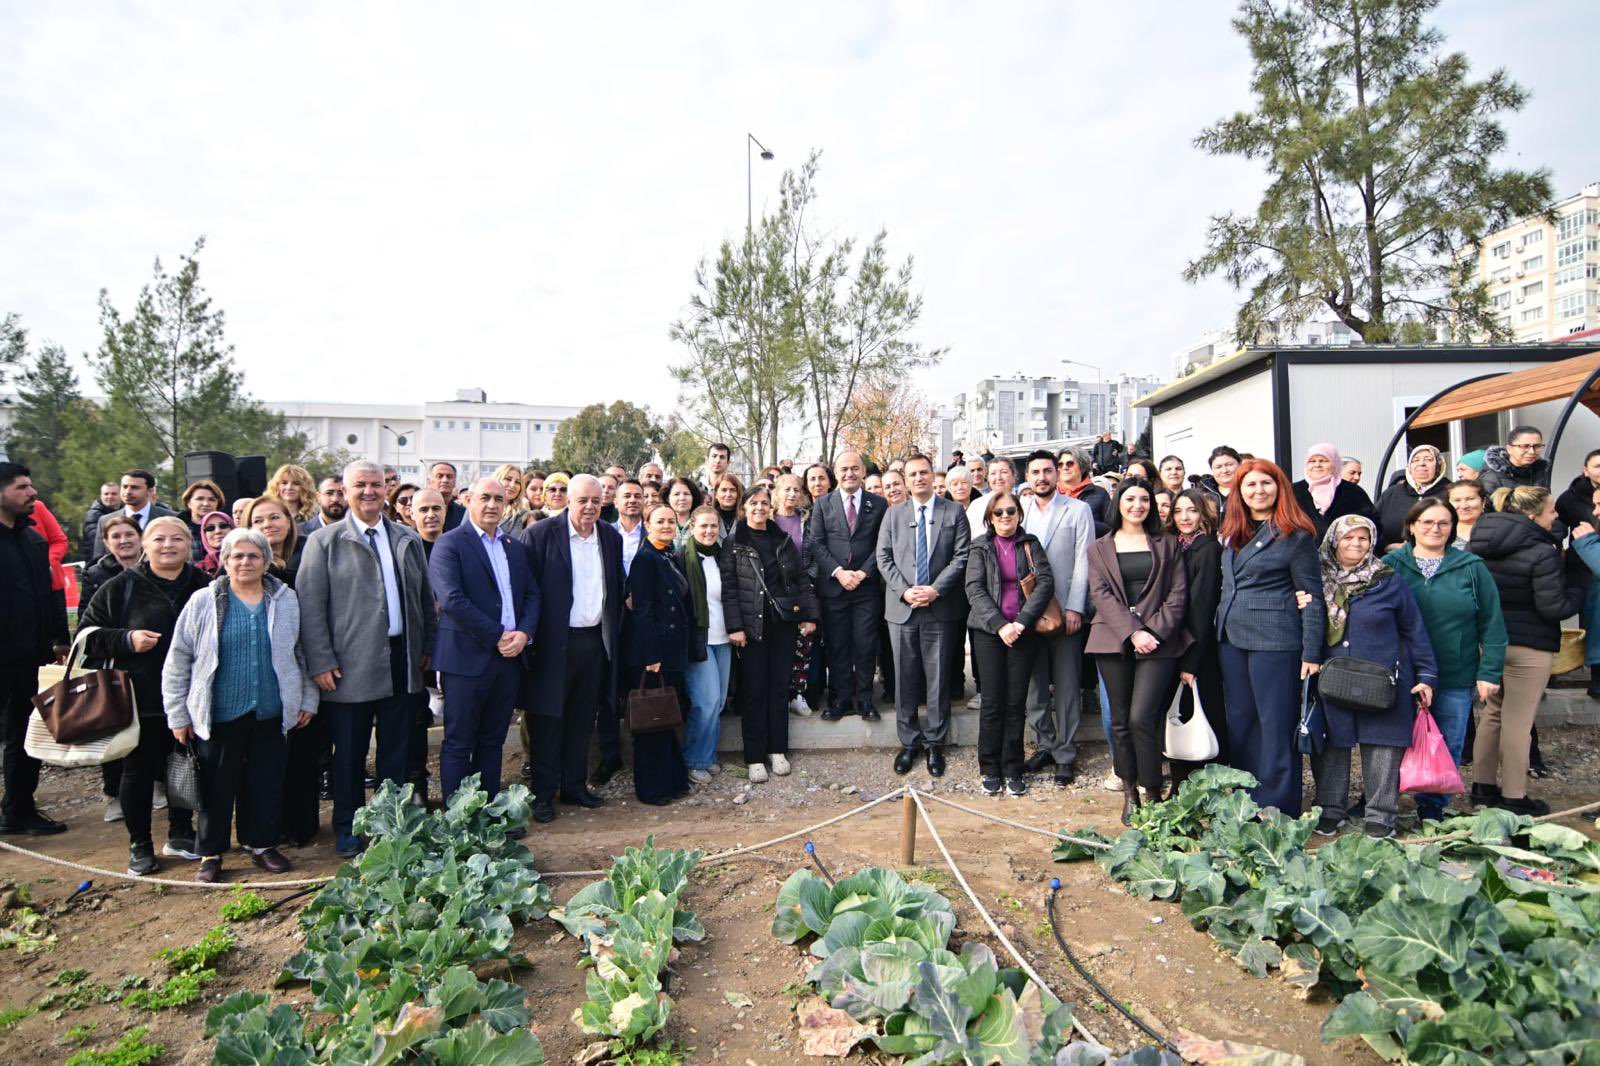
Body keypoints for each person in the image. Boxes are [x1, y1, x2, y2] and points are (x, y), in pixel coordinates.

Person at [297, 460, 437, 856]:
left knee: (396, 752)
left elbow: (424, 599)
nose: (369, 491)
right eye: (360, 485)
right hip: (348, 665)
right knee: (350, 754)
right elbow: (310, 607)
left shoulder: (406, 538)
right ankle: (348, 827)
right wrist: (320, 661)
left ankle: (391, 825)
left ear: (386, 490)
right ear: (345, 491)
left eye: (376, 484)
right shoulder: (323, 542)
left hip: (401, 660)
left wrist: (426, 646)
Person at [164, 527, 318, 883]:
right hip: (219, 713)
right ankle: (211, 852)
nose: (245, 562)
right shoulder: (204, 601)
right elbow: (179, 658)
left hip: (271, 710)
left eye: (253, 556)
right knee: (216, 787)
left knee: (265, 782)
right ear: (225, 560)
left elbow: (301, 652)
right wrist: (178, 713)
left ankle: (261, 845)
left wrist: (307, 698)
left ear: (266, 561)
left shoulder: (286, 600)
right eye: (237, 556)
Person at [80, 516, 209, 873]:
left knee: (185, 764)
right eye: (159, 539)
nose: (168, 545)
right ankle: (140, 844)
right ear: (145, 545)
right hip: (140, 697)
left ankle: (181, 832)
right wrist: (126, 639)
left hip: (194, 695)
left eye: (177, 539)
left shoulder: (205, 584)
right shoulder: (120, 587)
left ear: (189, 544)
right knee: (137, 771)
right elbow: (87, 636)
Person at [1309, 515, 1438, 839]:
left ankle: (1381, 814)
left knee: (1383, 743)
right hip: (1332, 677)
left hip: (1383, 679)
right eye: (1348, 537)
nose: (1356, 543)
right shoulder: (1316, 579)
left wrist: (1426, 674)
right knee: (1332, 743)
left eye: (1363, 538)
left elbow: (1414, 629)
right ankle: (1330, 809)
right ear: (1334, 541)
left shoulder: (1387, 580)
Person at [1383, 499, 1506, 821]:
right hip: (1401, 673)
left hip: (1454, 672)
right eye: (1427, 522)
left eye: (1443, 523)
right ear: (1412, 526)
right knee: (1389, 743)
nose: (1434, 529)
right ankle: (1381, 805)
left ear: (1452, 528)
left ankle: (1432, 808)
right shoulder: (1391, 565)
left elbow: (1492, 623)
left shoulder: (1471, 567)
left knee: (1446, 742)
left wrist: (1489, 671)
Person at [1216, 459, 1323, 816]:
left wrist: (1311, 652)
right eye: (1250, 485)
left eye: (1266, 483)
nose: (1258, 491)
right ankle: (1246, 799)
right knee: (1242, 722)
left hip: (1275, 641)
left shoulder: (1295, 535)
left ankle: (1278, 805)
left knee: (1275, 724)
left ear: (1279, 489)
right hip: (1232, 639)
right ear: (1239, 492)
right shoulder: (1232, 532)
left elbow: (1311, 595)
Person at [1468, 486, 1584, 815]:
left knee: (1492, 714)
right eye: (1551, 511)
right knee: (1518, 721)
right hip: (1530, 645)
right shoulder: (1542, 550)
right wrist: (1578, 591)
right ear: (1532, 515)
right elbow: (1553, 606)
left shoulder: (1479, 542)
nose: (1556, 517)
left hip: (1489, 642)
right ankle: (1514, 797)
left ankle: (1482, 788)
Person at [517, 474, 624, 823]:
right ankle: (543, 794)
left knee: (582, 718)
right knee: (547, 721)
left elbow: (615, 587)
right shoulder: (540, 534)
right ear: (567, 500)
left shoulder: (609, 536)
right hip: (552, 644)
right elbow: (526, 590)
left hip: (594, 642)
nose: (590, 507)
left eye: (596, 501)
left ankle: (574, 786)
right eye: (583, 500)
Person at [429, 479, 538, 808]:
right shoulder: (450, 544)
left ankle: (488, 811)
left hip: (508, 660)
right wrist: (499, 635)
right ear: (469, 501)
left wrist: (524, 633)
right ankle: (458, 817)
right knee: (459, 742)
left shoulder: (514, 547)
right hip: (465, 659)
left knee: (492, 741)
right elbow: (452, 599)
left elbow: (532, 594)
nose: (492, 505)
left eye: (498, 499)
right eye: (485, 498)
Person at [1087, 479, 1192, 822]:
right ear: (1118, 502)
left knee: (1142, 717)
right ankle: (1129, 790)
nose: (1137, 505)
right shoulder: (1099, 547)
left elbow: (1178, 595)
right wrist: (1133, 632)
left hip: (1160, 641)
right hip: (1112, 638)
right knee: (1120, 721)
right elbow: (1101, 595)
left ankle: (1153, 791)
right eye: (1130, 498)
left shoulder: (1168, 543)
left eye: (1144, 499)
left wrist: (1152, 632)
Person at [876, 455, 970, 778]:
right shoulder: (893, 514)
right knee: (904, 677)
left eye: (924, 472)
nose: (918, 478)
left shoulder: (953, 512)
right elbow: (883, 557)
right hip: (902, 609)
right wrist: (905, 591)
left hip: (939, 607)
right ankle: (909, 742)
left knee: (938, 677)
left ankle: (934, 743)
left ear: (933, 475)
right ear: (905, 479)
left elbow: (961, 556)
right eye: (912, 474)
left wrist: (935, 590)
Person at [723, 487, 818, 781]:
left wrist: (809, 615)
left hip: (782, 624)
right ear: (744, 508)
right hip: (751, 628)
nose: (759, 508)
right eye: (753, 503)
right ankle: (754, 756)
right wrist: (735, 626)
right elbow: (729, 588)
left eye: (764, 503)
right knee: (754, 691)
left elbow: (800, 578)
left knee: (779, 688)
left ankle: (777, 750)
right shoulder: (734, 542)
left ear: (771, 507)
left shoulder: (783, 539)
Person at [966, 491, 1054, 796]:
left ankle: (1013, 767)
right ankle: (989, 767)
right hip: (988, 633)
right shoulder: (980, 546)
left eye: (1011, 511)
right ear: (990, 518)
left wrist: (1022, 621)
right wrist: (1000, 625)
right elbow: (974, 589)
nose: (1005, 517)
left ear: (1019, 514)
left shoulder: (1030, 544)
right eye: (999, 512)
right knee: (992, 702)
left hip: (1023, 631)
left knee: (1016, 702)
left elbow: (1045, 583)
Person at [0, 463, 70, 837]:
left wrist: (59, 638)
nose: (32, 492)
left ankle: (18, 810)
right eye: (22, 487)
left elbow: (50, 591)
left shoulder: (32, 538)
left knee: (25, 736)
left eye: (31, 485)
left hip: (30, 657)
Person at [1018, 450, 1095, 785]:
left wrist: (1076, 606)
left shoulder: (1077, 510)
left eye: (1047, 471)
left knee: (1066, 685)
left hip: (1065, 610)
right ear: (1027, 476)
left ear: (1057, 474)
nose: (1042, 477)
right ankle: (1045, 744)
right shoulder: (1019, 510)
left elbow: (1084, 560)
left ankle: (1065, 753)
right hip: (1028, 613)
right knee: (1035, 686)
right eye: (1035, 472)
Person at [620, 504, 692, 805]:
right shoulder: (645, 558)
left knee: (666, 717)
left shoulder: (666, 554)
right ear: (647, 525)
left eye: (671, 521)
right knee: (652, 720)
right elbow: (643, 610)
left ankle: (673, 781)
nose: (666, 526)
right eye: (659, 521)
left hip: (670, 649)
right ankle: (652, 789)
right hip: (653, 653)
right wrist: (651, 655)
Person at [812, 451, 887, 724]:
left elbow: (883, 543)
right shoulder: (823, 504)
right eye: (844, 469)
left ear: (863, 472)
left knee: (866, 645)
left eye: (855, 468)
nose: (849, 473)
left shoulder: (878, 504)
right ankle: (841, 699)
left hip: (866, 589)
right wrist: (839, 572)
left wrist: (864, 572)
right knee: (838, 645)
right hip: (834, 587)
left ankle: (865, 699)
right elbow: (817, 543)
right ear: (836, 473)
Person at [1167, 489, 1227, 787]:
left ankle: (1207, 787)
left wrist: (1191, 661)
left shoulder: (1208, 549)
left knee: (1203, 717)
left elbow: (1202, 607)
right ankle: (1182, 785)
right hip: (1175, 643)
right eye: (1178, 511)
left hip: (1198, 647)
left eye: (1191, 510)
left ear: (1203, 513)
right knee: (1179, 718)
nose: (1185, 517)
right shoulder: (1175, 545)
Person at [680, 507, 733, 782]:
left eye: (714, 526)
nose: (709, 531)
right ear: (692, 527)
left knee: (718, 701)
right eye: (703, 526)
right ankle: (694, 759)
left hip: (724, 637)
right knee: (706, 701)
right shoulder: (682, 558)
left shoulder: (722, 556)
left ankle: (708, 755)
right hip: (699, 639)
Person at [773, 473, 820, 716]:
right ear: (777, 492)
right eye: (787, 489)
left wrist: (806, 581)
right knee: (779, 647)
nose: (792, 494)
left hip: (803, 590)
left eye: (796, 490)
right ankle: (780, 694)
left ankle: (798, 694)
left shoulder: (807, 521)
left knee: (803, 643)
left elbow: (815, 554)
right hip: (775, 593)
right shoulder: (768, 520)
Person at [1292, 443, 1377, 540]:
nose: (1317, 465)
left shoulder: (1353, 492)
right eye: (1312, 461)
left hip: (1344, 548)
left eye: (1323, 461)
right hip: (1303, 548)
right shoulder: (1293, 491)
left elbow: (1371, 522)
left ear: (1335, 463)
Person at [89, 469, 178, 560]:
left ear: (149, 491)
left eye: (135, 487)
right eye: (125, 487)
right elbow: (99, 558)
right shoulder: (105, 520)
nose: (128, 492)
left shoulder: (171, 518)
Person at [1374, 444, 1449, 551]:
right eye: (1415, 460)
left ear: (1439, 466)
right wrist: (1387, 546)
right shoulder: (1392, 493)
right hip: (1393, 557)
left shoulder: (1450, 492)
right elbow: (1373, 526)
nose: (1421, 464)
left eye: (1429, 459)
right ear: (1409, 466)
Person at [82, 513, 144, 604]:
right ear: (106, 543)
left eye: (129, 535)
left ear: (141, 538)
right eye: (116, 537)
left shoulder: (158, 569)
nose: (124, 541)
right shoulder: (94, 575)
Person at [243, 495, 302, 587]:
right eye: (258, 521)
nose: (267, 525)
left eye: (274, 517)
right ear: (249, 528)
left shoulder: (309, 549)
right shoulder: (240, 562)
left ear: (288, 522)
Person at [1479, 426, 1552, 494]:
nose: (1532, 452)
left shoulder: (1541, 468)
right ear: (1509, 449)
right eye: (1524, 446)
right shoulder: (1492, 477)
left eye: (1537, 446)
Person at [1057, 447, 1109, 537]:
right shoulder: (1051, 494)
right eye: (1060, 464)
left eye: (1070, 463)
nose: (1065, 467)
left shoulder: (1100, 493)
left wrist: (1082, 522)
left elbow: (1111, 529)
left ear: (1082, 467)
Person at [966, 458, 1015, 535]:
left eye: (1004, 472)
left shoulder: (1025, 503)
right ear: (987, 477)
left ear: (1013, 475)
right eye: (993, 473)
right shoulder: (976, 505)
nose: (998, 477)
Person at [1555, 448, 1600, 532]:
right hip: (1584, 540)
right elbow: (1555, 529)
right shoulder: (1569, 498)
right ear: (1586, 471)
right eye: (1598, 466)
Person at [181, 480, 225, 558]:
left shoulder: (228, 529)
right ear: (189, 503)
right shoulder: (179, 530)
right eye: (200, 499)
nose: (206, 504)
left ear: (218, 503)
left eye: (211, 499)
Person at [613, 478, 647, 576]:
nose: (632, 500)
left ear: (644, 501)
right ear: (616, 502)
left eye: (637, 496)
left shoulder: (652, 533)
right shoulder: (606, 533)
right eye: (627, 496)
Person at [80, 482, 121, 562]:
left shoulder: (124, 512)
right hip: (99, 562)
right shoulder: (93, 515)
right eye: (106, 494)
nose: (110, 496)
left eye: (114, 494)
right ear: (101, 496)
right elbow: (98, 539)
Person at [427, 461, 467, 531]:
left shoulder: (464, 514)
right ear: (429, 482)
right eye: (439, 476)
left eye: (449, 477)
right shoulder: (419, 510)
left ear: (455, 482)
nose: (445, 480)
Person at [1448, 480, 1488, 548]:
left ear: (1483, 501)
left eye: (1470, 499)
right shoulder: (1440, 531)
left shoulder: (1498, 530)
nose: (1464, 506)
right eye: (1457, 500)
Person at [193, 509, 233, 576]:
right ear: (204, 534)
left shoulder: (246, 560)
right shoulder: (199, 570)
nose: (217, 531)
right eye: (210, 528)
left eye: (223, 526)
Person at [663, 477, 700, 548]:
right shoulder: (660, 523)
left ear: (693, 497)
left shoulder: (701, 523)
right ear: (668, 499)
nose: (682, 498)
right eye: (676, 494)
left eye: (686, 494)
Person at [711, 473, 745, 540]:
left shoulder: (747, 518)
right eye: (724, 490)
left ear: (738, 494)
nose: (728, 494)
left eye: (732, 490)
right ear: (716, 495)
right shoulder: (707, 518)